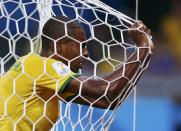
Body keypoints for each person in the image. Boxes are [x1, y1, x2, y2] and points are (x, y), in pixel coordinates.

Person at [0, 16, 153, 131]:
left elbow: (108, 101)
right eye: (81, 46)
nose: (86, 53)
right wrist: (143, 48)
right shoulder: (42, 66)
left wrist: (145, 54)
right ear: (59, 46)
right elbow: (106, 89)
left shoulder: (42, 77)